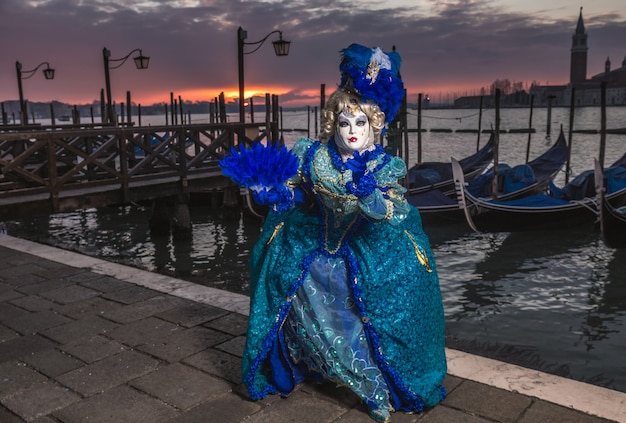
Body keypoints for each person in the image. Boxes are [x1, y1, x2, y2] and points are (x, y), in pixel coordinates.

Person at [219, 44, 446, 422]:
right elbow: (297, 195)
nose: (352, 131)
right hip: (319, 240)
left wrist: (368, 195)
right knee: (294, 271)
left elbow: (388, 212)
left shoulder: (383, 165)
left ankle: (373, 384)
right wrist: (276, 193)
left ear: (375, 125)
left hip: (366, 247)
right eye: (344, 122)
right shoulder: (314, 156)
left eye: (361, 123)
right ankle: (318, 365)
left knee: (385, 292)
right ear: (332, 123)